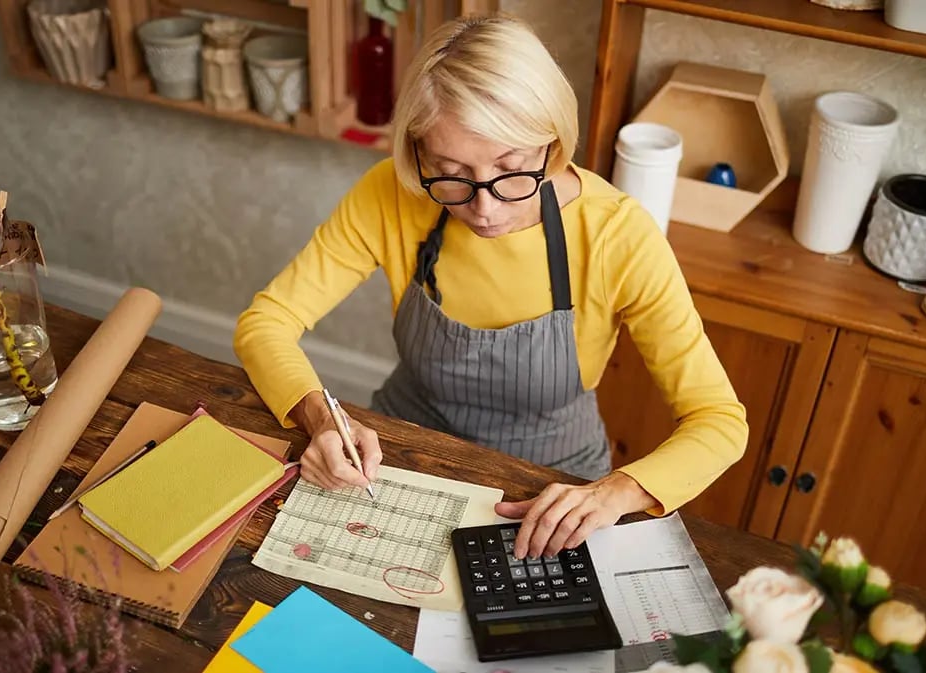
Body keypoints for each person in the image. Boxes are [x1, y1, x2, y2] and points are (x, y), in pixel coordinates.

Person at [233, 13, 748, 562]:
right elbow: (265, 324)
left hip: (553, 485)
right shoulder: (389, 194)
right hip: (402, 456)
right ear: (417, 154)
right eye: (451, 173)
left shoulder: (618, 234)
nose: (483, 208)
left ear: (552, 142)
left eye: (511, 169)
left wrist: (616, 492)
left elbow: (719, 421)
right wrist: (321, 417)